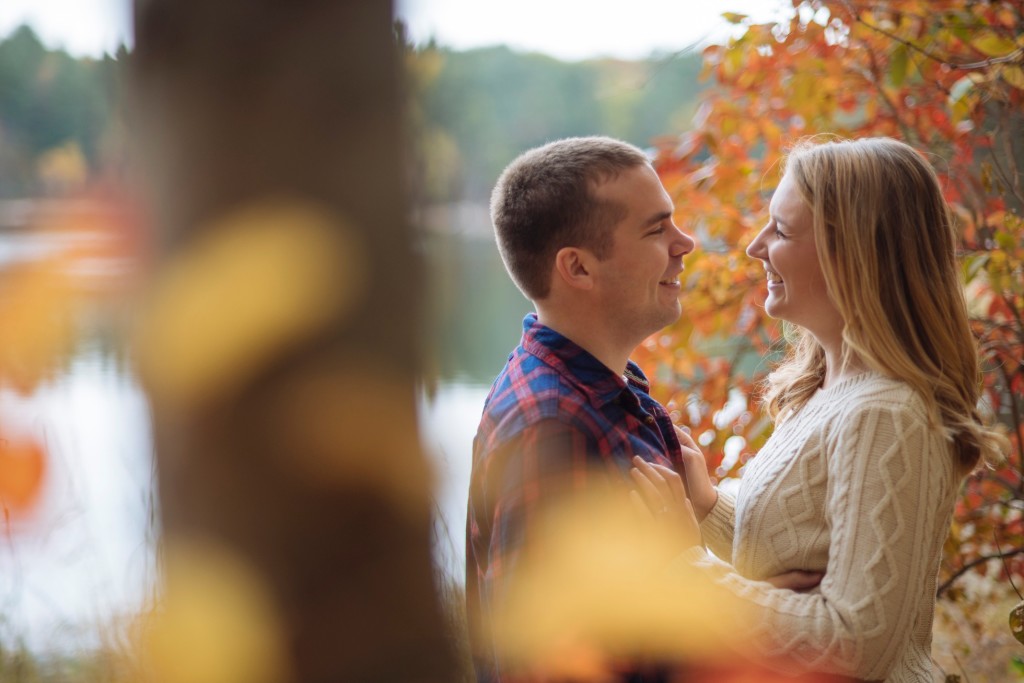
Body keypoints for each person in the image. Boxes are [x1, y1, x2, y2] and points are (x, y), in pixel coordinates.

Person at [631, 136, 1007, 681]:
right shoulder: (826, 389)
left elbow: (855, 642)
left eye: (780, 231)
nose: (755, 247)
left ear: (853, 253)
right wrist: (709, 507)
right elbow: (793, 551)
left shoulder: (885, 412)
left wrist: (685, 568)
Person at [465, 135, 697, 683]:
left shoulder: (607, 387)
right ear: (578, 268)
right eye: (655, 229)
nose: (684, 242)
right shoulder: (552, 427)